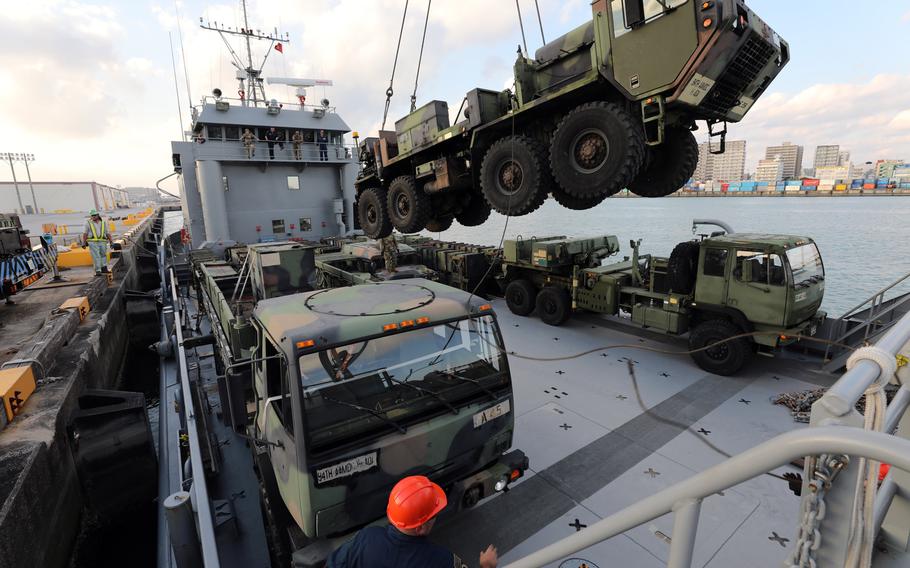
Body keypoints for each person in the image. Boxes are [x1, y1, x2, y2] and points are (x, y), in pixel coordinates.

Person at [327, 475, 498, 568]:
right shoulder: (441, 561)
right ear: (421, 528)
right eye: (434, 515)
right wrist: (487, 566)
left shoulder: (365, 538)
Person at [81, 209, 113, 276]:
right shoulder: (88, 223)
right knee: (96, 256)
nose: (94, 216)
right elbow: (85, 233)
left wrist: (111, 241)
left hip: (102, 241)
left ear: (98, 215)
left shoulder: (103, 223)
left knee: (103, 255)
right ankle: (98, 270)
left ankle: (104, 268)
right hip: (93, 242)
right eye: (92, 215)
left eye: (95, 215)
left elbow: (107, 233)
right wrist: (83, 242)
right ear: (91, 216)